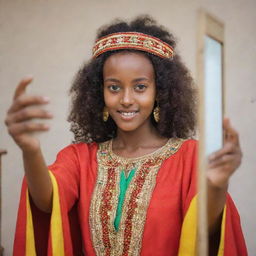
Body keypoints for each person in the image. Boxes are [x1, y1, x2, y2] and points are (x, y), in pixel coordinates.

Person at [5, 16, 247, 256]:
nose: (126, 99)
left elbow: (208, 232)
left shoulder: (189, 156)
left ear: (160, 93)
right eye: (114, 87)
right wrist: (30, 149)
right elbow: (47, 202)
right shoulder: (80, 159)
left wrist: (216, 185)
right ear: (99, 93)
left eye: (140, 87)